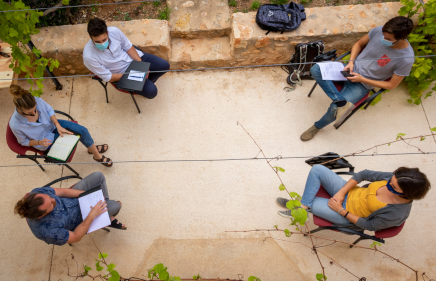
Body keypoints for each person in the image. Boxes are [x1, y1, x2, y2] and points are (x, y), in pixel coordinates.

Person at [301, 16, 415, 141]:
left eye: (387, 39)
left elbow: (391, 85)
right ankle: (339, 99)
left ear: (401, 38)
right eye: (383, 34)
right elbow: (358, 44)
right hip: (349, 69)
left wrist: (362, 79)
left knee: (335, 109)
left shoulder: (406, 59)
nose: (383, 38)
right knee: (315, 69)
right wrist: (351, 62)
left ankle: (316, 127)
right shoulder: (379, 30)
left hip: (362, 84)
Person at [276, 165, 430, 232]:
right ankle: (302, 207)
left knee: (313, 202)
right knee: (317, 170)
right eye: (390, 181)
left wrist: (341, 210)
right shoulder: (394, 179)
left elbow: (369, 225)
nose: (388, 183)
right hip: (349, 193)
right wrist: (342, 192)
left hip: (347, 214)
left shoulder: (396, 214)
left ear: (406, 194)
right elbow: (363, 174)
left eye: (392, 187)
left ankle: (299, 207)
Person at [8, 84, 113, 167]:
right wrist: (39, 142)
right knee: (70, 144)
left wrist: (57, 124)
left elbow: (49, 110)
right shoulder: (15, 125)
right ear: (19, 109)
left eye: (35, 109)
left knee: (82, 130)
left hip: (53, 125)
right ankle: (93, 150)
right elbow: (23, 142)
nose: (34, 113)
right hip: (45, 141)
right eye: (29, 113)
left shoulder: (36, 99)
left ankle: (95, 154)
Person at [14, 172, 126, 246]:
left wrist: (86, 195)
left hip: (71, 199)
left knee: (98, 176)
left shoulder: (37, 193)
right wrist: (92, 215)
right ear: (41, 215)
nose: (54, 200)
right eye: (51, 205)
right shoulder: (47, 232)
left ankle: (104, 209)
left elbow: (63, 192)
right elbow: (76, 237)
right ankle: (106, 215)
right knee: (116, 206)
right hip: (81, 220)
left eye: (51, 198)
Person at [83, 18, 170, 99]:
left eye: (104, 39)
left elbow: (128, 47)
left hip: (133, 58)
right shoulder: (89, 56)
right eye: (97, 42)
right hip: (122, 74)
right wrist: (133, 75)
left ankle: (146, 83)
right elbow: (108, 77)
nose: (102, 44)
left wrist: (141, 65)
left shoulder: (114, 31)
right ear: (91, 37)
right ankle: (144, 85)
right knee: (152, 92)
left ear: (108, 33)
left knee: (164, 65)